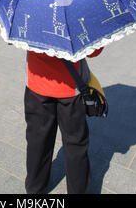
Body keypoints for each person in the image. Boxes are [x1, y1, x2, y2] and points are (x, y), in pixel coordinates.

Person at [24, 47, 104, 194]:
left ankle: (34, 190)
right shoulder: (78, 21)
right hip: (71, 88)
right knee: (75, 145)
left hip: (36, 83)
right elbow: (94, 51)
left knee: (37, 141)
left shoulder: (29, 23)